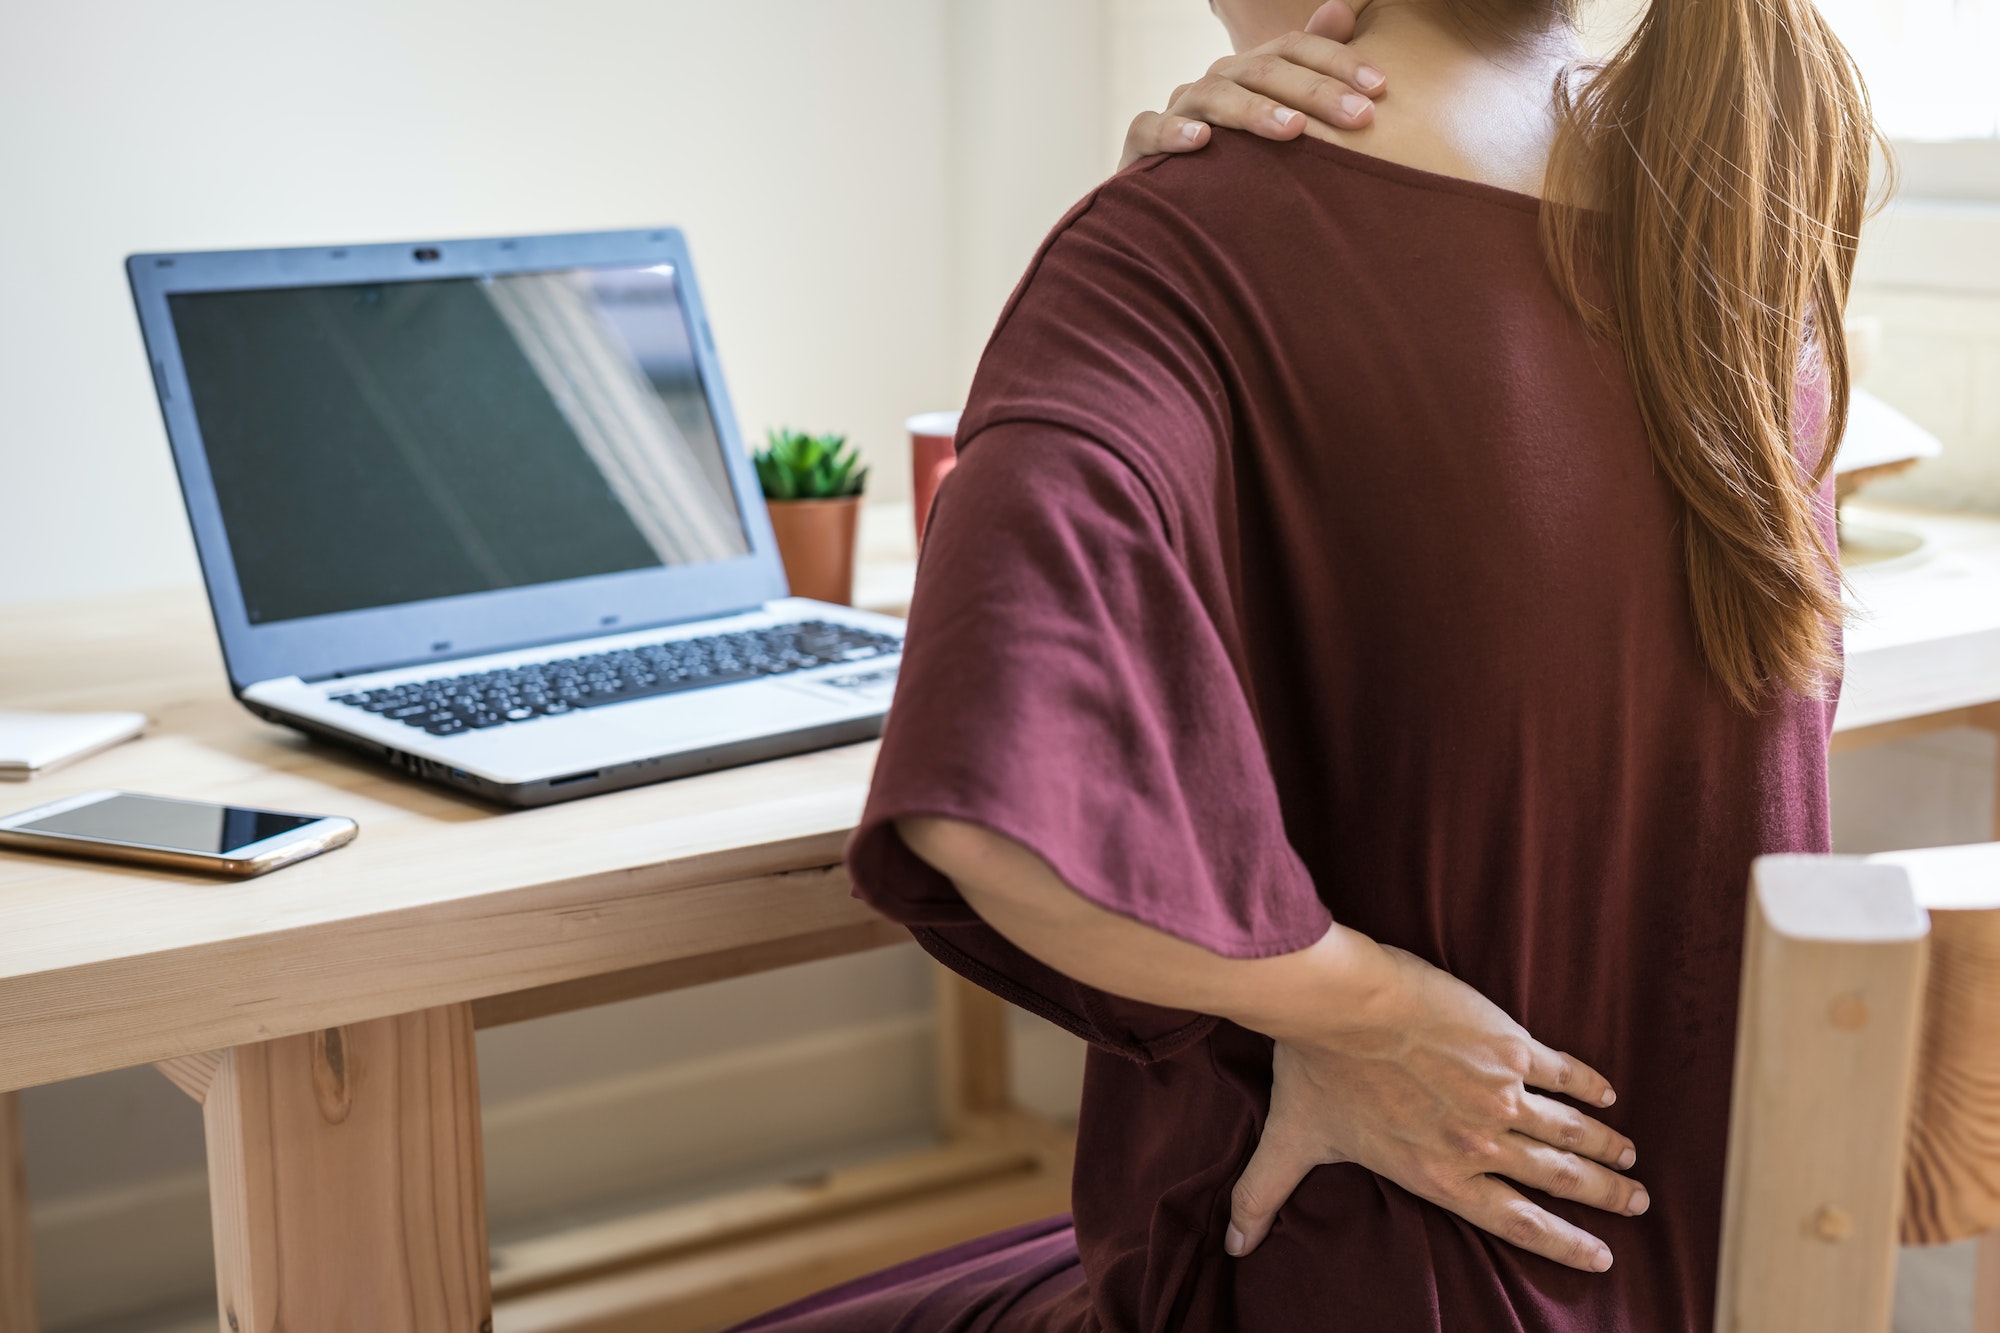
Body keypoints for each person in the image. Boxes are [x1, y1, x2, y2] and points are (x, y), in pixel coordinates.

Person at [732, 0, 1876, 1324]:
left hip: (1379, 1280)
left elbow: (996, 827)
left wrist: (1366, 1011)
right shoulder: (1736, 212)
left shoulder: (1184, 243)